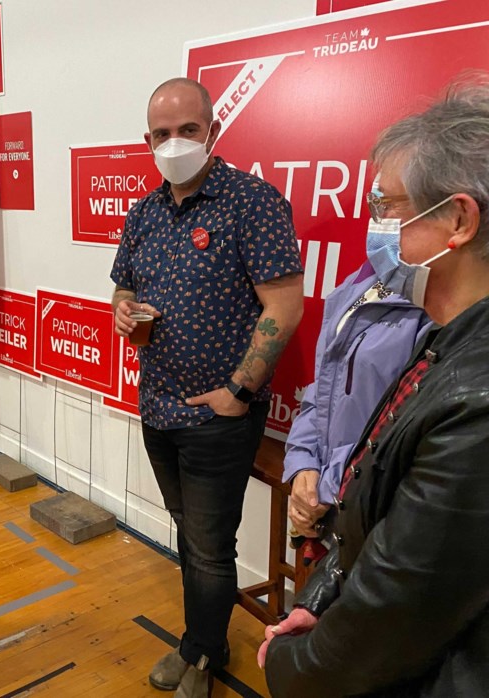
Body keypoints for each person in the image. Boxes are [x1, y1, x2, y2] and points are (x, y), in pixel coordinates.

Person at [260, 82, 489, 698]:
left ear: (459, 220)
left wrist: (287, 666)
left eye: (389, 205)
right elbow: (331, 397)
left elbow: (400, 603)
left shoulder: (477, 399)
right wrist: (325, 589)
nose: (377, 224)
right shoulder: (442, 334)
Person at [110, 77, 304, 697]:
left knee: (211, 547)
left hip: (219, 416)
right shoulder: (143, 213)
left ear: (212, 132)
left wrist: (239, 393)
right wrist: (122, 308)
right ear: (148, 141)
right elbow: (123, 286)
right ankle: (203, 642)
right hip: (157, 406)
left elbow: (284, 305)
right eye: (162, 134)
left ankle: (202, 658)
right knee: (188, 534)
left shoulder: (252, 202)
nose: (175, 143)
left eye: (188, 130)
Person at [282, 232, 430, 558]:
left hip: (384, 512)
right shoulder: (362, 282)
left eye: (390, 201)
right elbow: (322, 385)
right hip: (335, 501)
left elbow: (404, 425)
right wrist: (303, 464)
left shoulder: (442, 310)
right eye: (375, 202)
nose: (381, 217)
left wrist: (328, 484)